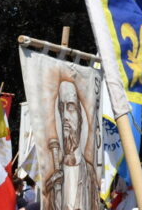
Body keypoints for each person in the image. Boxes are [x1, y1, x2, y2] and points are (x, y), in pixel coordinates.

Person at [45, 80, 99, 210]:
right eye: (61, 108)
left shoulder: (90, 174)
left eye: (70, 107)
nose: (65, 116)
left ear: (80, 118)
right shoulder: (53, 175)